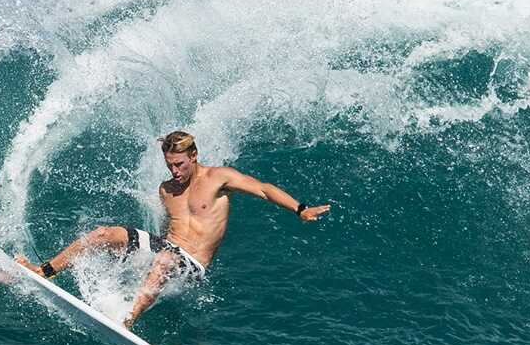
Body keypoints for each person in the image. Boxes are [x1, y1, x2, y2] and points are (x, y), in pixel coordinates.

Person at [16, 130, 329, 328]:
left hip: (192, 264)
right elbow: (167, 232)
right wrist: (134, 256)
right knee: (104, 234)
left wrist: (300, 209)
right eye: (169, 165)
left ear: (193, 156)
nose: (174, 171)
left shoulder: (218, 178)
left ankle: (127, 322)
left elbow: (263, 189)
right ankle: (46, 270)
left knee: (165, 261)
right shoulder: (166, 190)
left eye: (179, 164)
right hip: (168, 249)